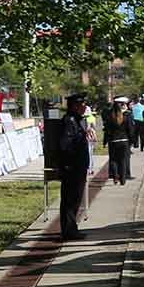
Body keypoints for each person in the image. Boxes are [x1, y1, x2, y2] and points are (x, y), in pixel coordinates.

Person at [57, 94, 92, 239]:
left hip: (78, 166)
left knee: (76, 199)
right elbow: (65, 145)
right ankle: (68, 230)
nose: (84, 107)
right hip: (72, 167)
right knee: (70, 199)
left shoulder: (78, 120)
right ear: (74, 106)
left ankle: (71, 228)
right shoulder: (69, 121)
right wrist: (69, 164)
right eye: (81, 105)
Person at [103, 99, 132, 185]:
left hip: (113, 141)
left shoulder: (109, 118)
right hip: (124, 140)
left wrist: (105, 141)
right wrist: (131, 140)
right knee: (123, 160)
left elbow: (107, 131)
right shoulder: (125, 117)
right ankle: (123, 179)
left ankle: (115, 176)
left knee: (113, 160)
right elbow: (130, 129)